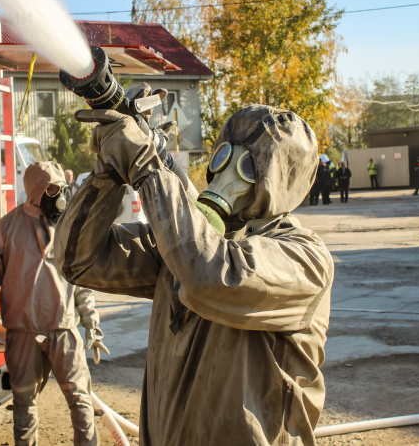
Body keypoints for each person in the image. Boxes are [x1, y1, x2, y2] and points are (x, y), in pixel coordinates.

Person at [56, 105, 334, 445]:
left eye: (248, 165)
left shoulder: (304, 258)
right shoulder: (185, 240)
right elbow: (79, 259)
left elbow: (210, 274)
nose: (228, 174)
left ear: (281, 179)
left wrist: (148, 169)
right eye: (224, 157)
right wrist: (111, 168)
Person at [0, 161, 108, 446]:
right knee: (24, 403)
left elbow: (81, 280)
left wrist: (92, 324)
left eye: (61, 189)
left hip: (64, 330)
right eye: (53, 190)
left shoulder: (68, 227)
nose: (60, 197)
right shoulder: (4, 230)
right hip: (23, 334)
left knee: (80, 400)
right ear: (37, 191)